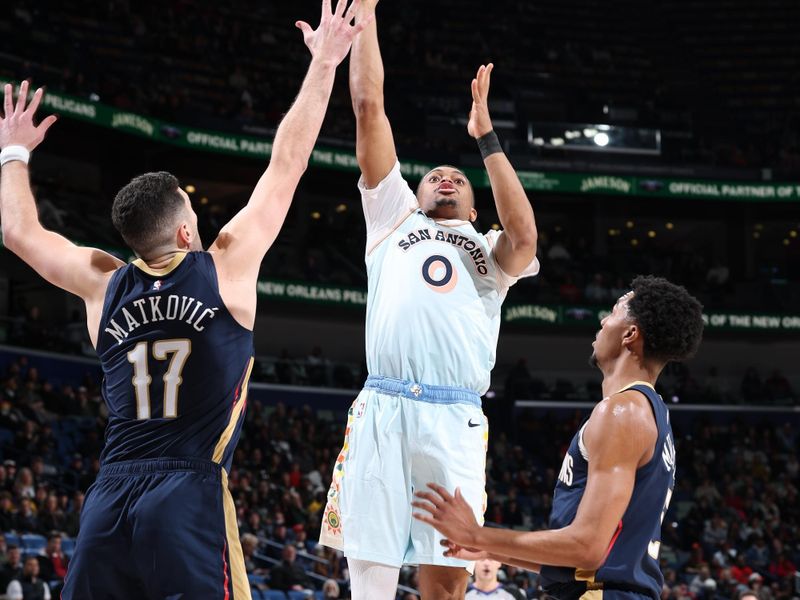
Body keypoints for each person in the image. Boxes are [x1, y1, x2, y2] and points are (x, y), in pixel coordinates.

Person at [0, 2, 369, 597]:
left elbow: (19, 234)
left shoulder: (103, 282)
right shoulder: (224, 266)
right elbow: (288, 162)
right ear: (182, 233)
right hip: (187, 494)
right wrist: (324, 62)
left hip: (109, 497)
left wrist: (13, 152)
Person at [317, 3, 539, 599]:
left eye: (457, 179)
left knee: (444, 589)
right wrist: (363, 17)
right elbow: (369, 107)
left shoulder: (490, 251)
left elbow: (526, 239)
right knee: (371, 587)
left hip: (454, 420)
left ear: (473, 207)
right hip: (383, 410)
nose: (445, 177)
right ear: (412, 191)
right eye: (435, 174)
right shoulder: (391, 219)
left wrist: (486, 139)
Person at [413, 276, 705, 600]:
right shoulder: (648, 412)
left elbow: (587, 548)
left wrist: (477, 534)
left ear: (630, 334)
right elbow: (581, 564)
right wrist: (483, 546)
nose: (603, 320)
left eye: (612, 312)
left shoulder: (623, 412)